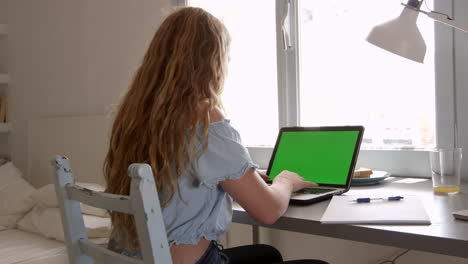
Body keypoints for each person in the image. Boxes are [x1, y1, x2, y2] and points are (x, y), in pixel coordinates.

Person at [104, 7, 328, 264]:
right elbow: (268, 212)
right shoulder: (205, 116)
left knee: (268, 254)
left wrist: (244, 180)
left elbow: (180, 182)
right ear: (212, 60)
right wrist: (286, 181)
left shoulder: (134, 116)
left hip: (132, 259)